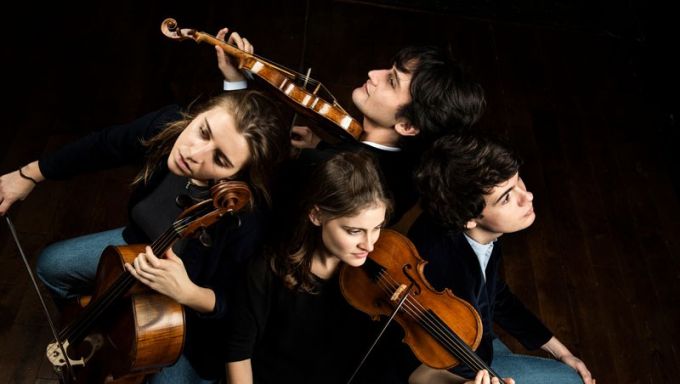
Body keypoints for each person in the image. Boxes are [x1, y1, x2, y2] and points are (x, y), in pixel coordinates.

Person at [0, 89, 289, 383]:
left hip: (193, 322)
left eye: (221, 160)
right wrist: (29, 175)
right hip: (141, 246)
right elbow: (104, 145)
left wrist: (189, 293)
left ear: (238, 176)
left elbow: (240, 312)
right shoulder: (167, 126)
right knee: (52, 265)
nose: (193, 153)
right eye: (203, 131)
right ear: (198, 113)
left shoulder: (246, 219)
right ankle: (105, 333)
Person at [214, 29, 486, 221]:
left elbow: (235, 175)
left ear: (407, 126)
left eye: (391, 81)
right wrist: (318, 144)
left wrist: (236, 82)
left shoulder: (323, 168)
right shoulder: (409, 171)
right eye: (388, 69)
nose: (373, 74)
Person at [407, 133, 595, 384]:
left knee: (568, 372)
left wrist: (562, 353)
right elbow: (421, 370)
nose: (526, 197)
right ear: (468, 218)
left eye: (518, 181)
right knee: (571, 381)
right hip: (449, 363)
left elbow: (497, 294)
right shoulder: (442, 267)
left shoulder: (477, 232)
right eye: (506, 198)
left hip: (478, 337)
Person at [224, 151, 398, 384]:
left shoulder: (376, 279)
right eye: (354, 231)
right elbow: (238, 355)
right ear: (317, 215)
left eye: (377, 227)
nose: (368, 244)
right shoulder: (266, 269)